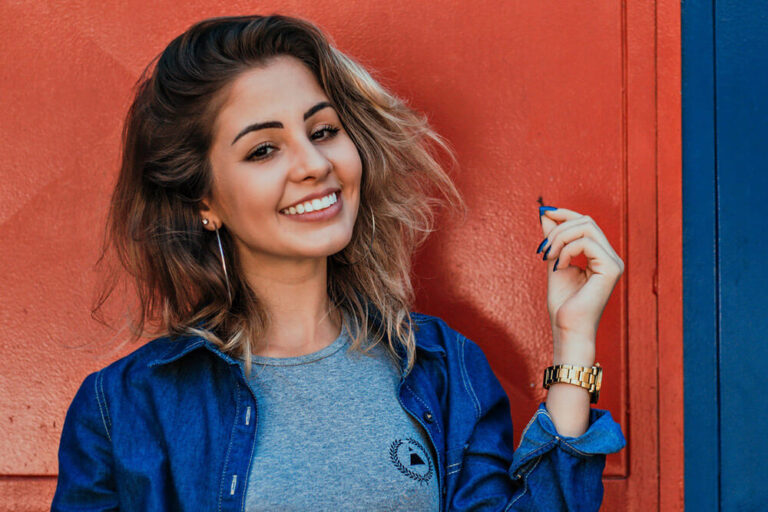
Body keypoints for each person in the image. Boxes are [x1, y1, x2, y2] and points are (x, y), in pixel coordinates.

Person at [51, 14, 626, 511]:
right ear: (204, 202)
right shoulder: (125, 408)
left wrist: (572, 346)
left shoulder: (443, 370)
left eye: (323, 130)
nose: (314, 164)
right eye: (263, 149)